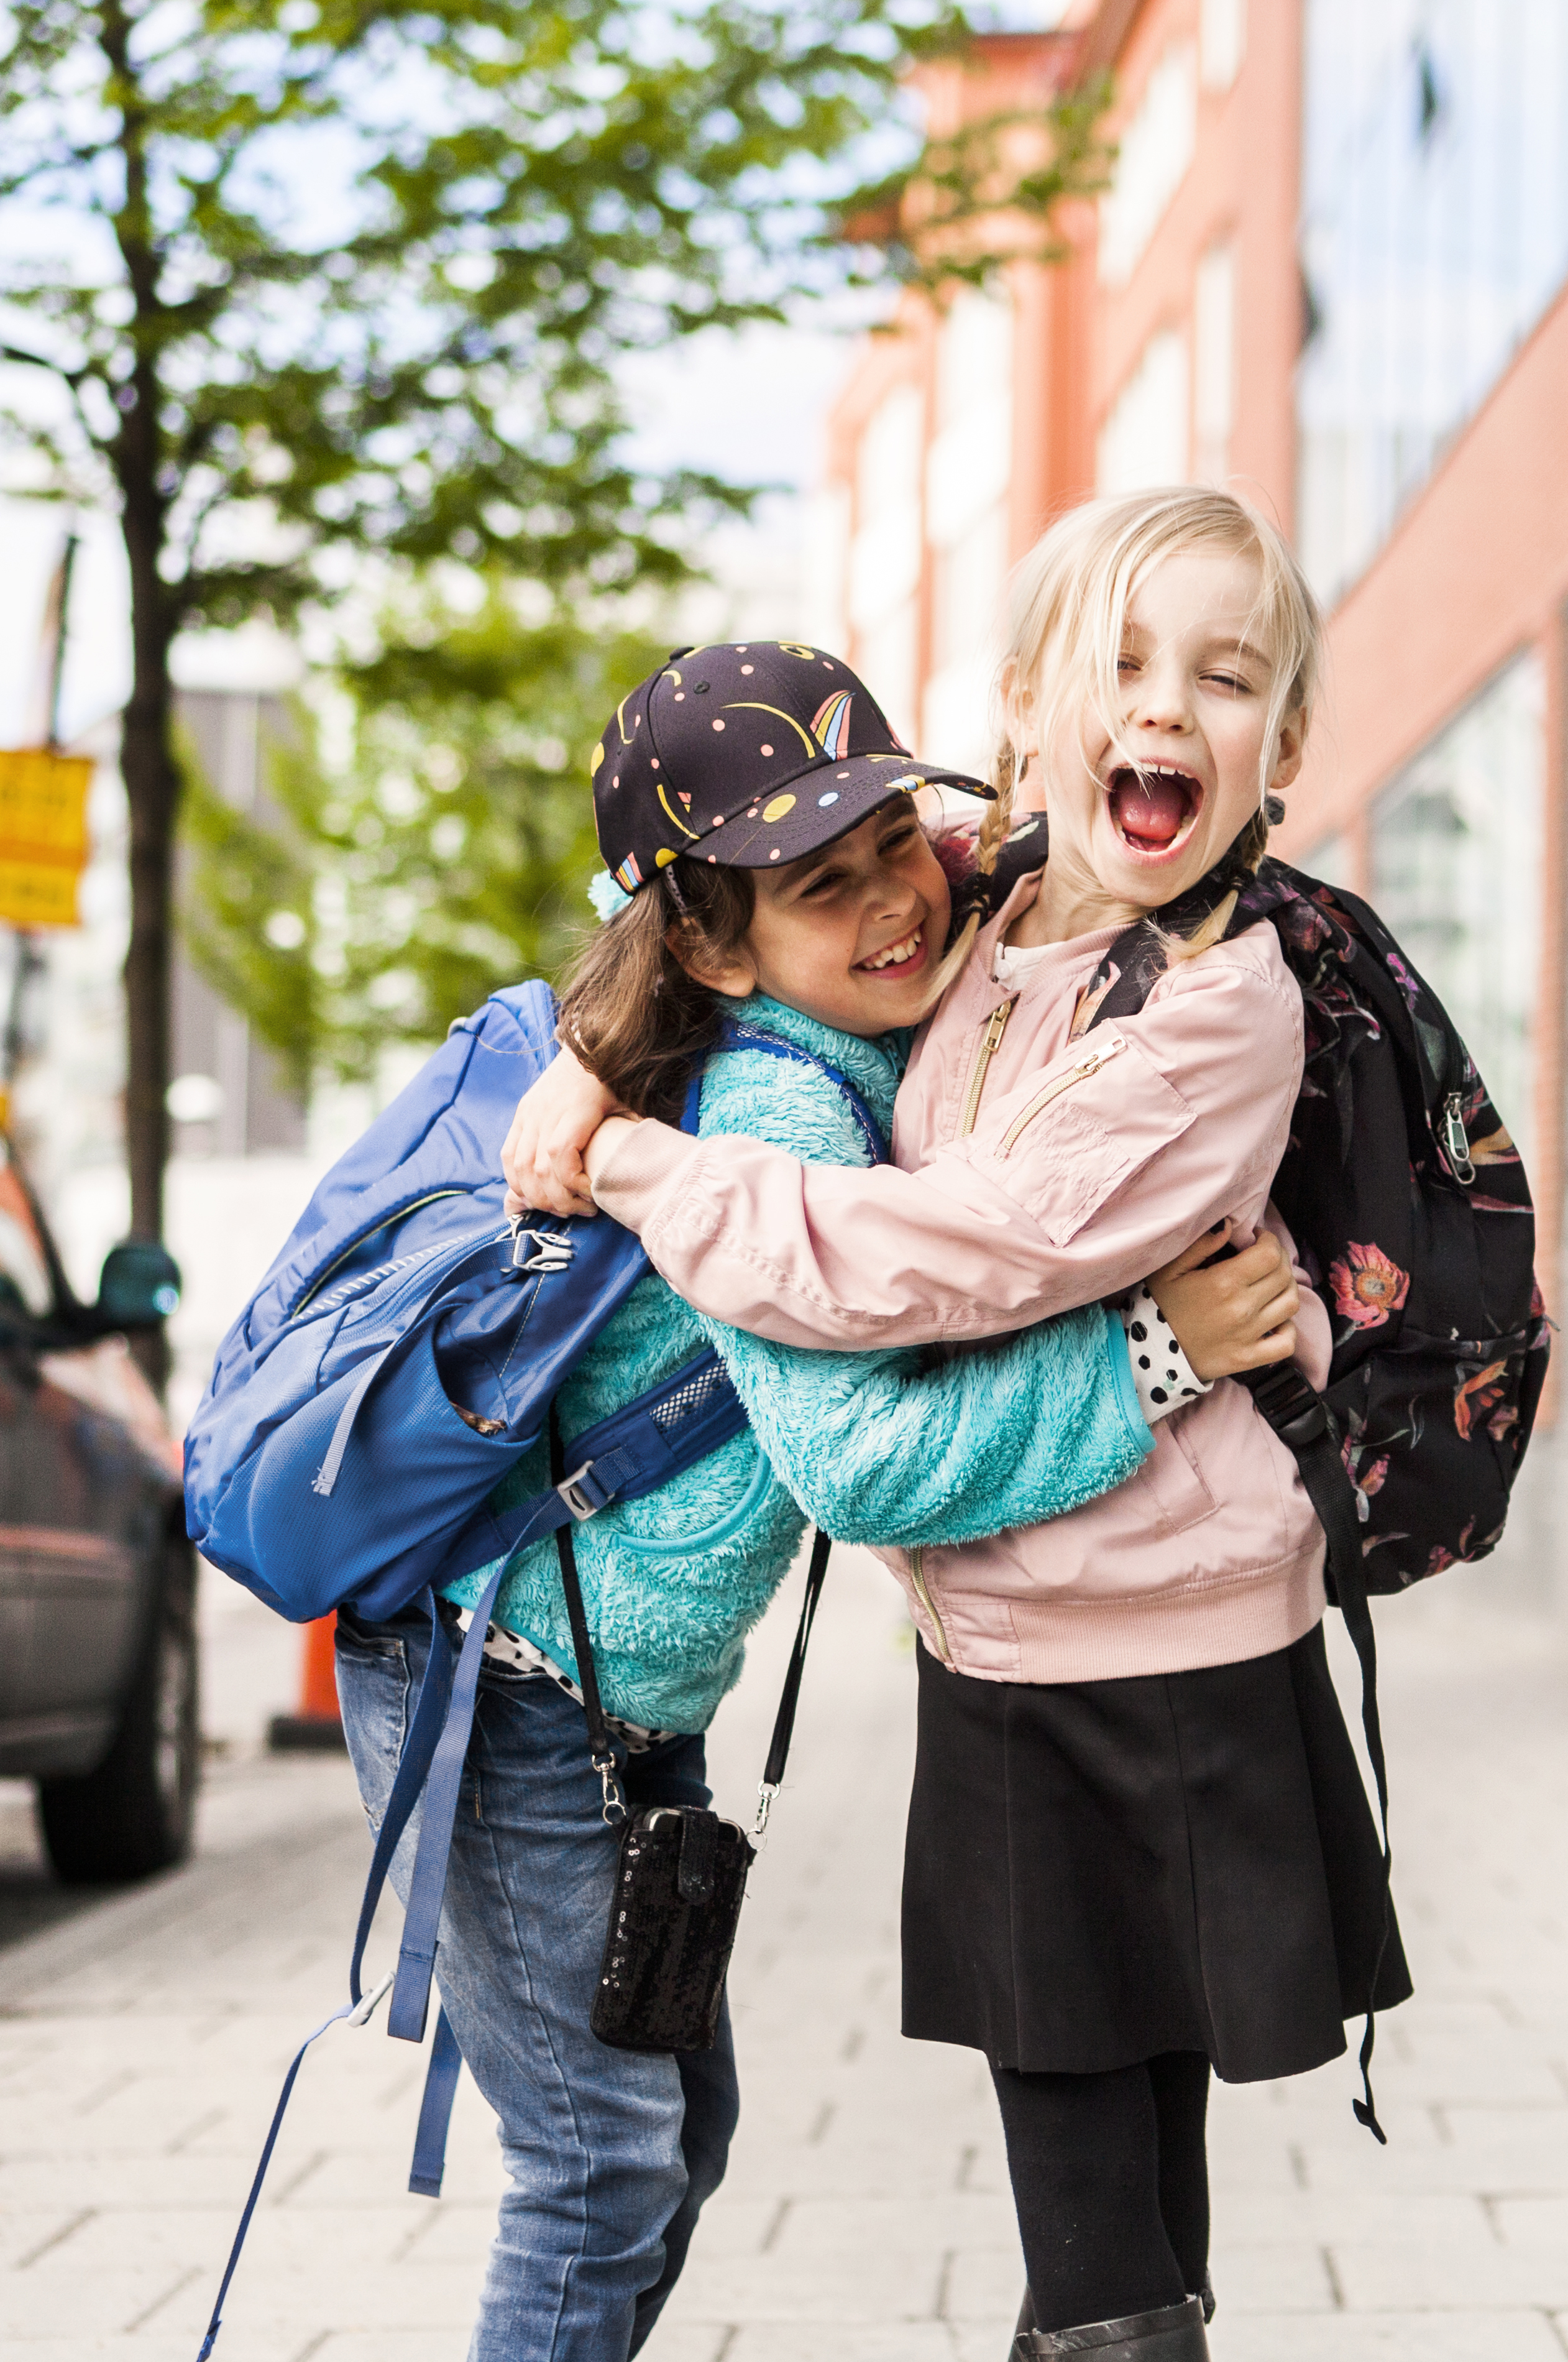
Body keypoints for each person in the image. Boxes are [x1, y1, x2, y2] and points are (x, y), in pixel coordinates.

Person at [507, 489, 1405, 2362]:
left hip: (1157, 1642)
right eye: (1119, 670)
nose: (1163, 710)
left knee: (1097, 2189)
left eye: (1224, 681)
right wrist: (600, 1050)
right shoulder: (1003, 890)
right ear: (1021, 718)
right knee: (1111, 2174)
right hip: (1010, 1635)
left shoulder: (1218, 1005)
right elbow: (730, 938)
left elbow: (951, 1252)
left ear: (1285, 750)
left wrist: (638, 1161)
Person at [337, 639, 1308, 2362]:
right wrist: (1151, 1354)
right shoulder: (776, 1101)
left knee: (660, 2150)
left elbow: (1029, 865)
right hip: (499, 1687)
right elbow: (863, 1467)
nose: (891, 907)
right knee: (599, 2168)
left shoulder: (851, 1015)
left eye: (892, 847)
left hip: (612, 1711)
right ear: (710, 941)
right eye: (817, 886)